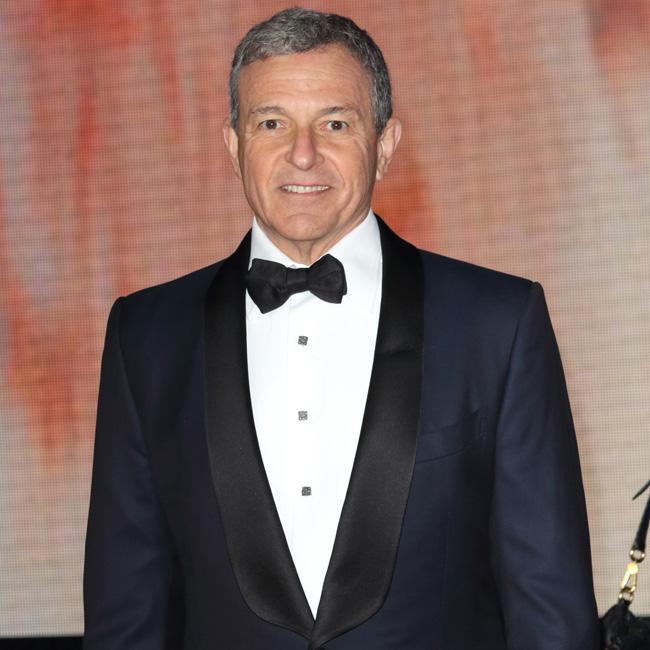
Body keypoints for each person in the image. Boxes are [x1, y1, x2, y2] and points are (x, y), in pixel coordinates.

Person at [83, 8, 600, 649]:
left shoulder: (498, 324)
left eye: (335, 123)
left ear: (384, 145)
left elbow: (550, 610)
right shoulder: (146, 338)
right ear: (234, 145)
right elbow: (126, 613)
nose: (303, 154)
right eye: (271, 123)